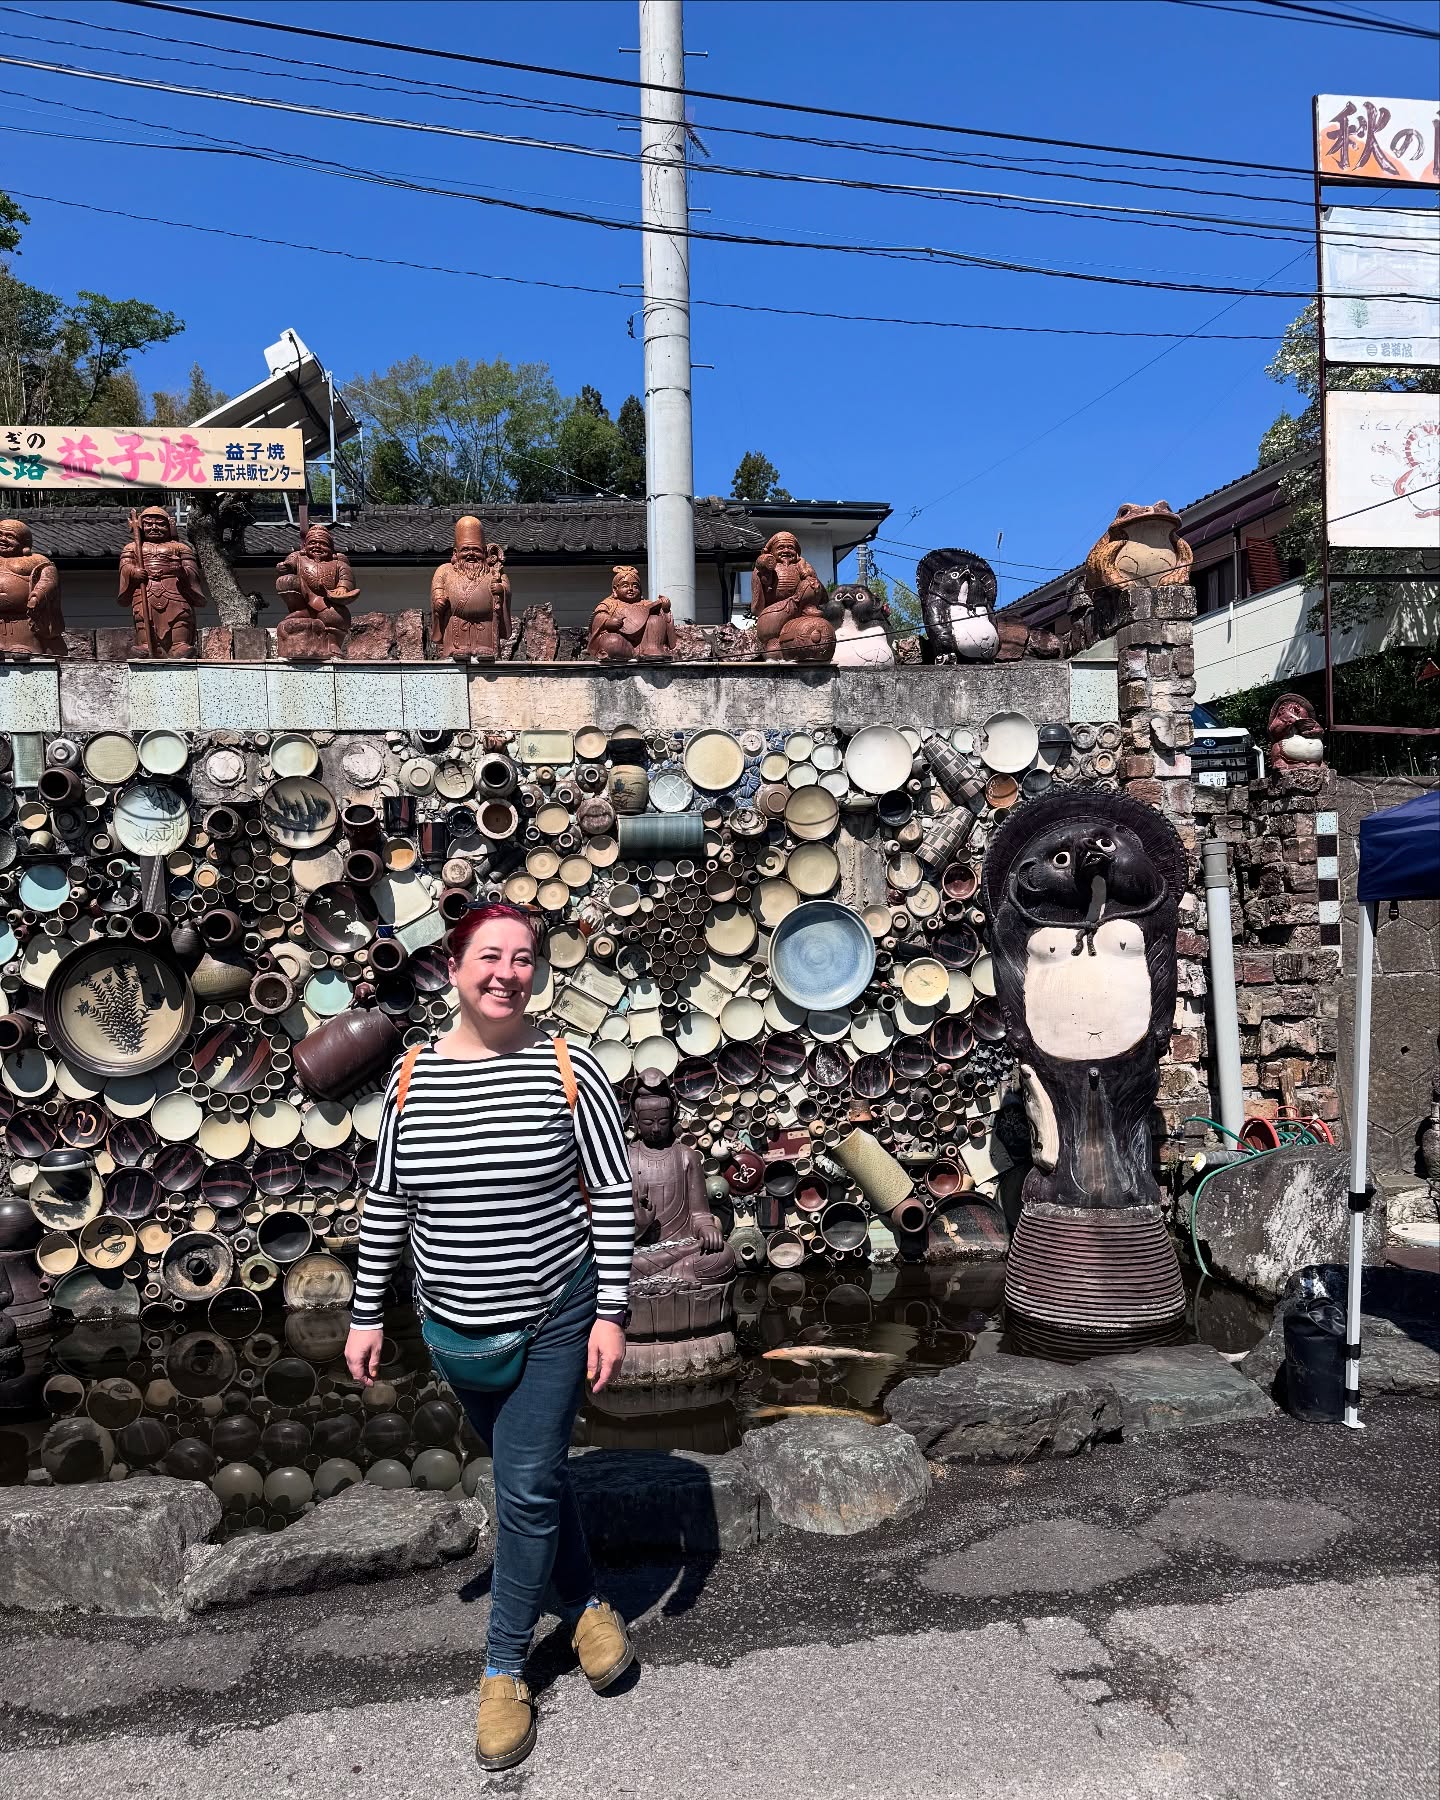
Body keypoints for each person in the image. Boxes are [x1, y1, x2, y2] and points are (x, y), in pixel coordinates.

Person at [345, 902, 636, 1771]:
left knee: (528, 1487)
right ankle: (585, 1603)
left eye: (524, 958)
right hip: (454, 1332)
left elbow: (614, 1194)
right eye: (490, 956)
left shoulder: (569, 1067)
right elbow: (390, 1200)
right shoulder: (410, 1079)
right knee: (532, 1482)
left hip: (554, 1314)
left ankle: (505, 1666)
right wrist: (366, 1312)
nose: (507, 972)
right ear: (455, 967)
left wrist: (612, 1311)